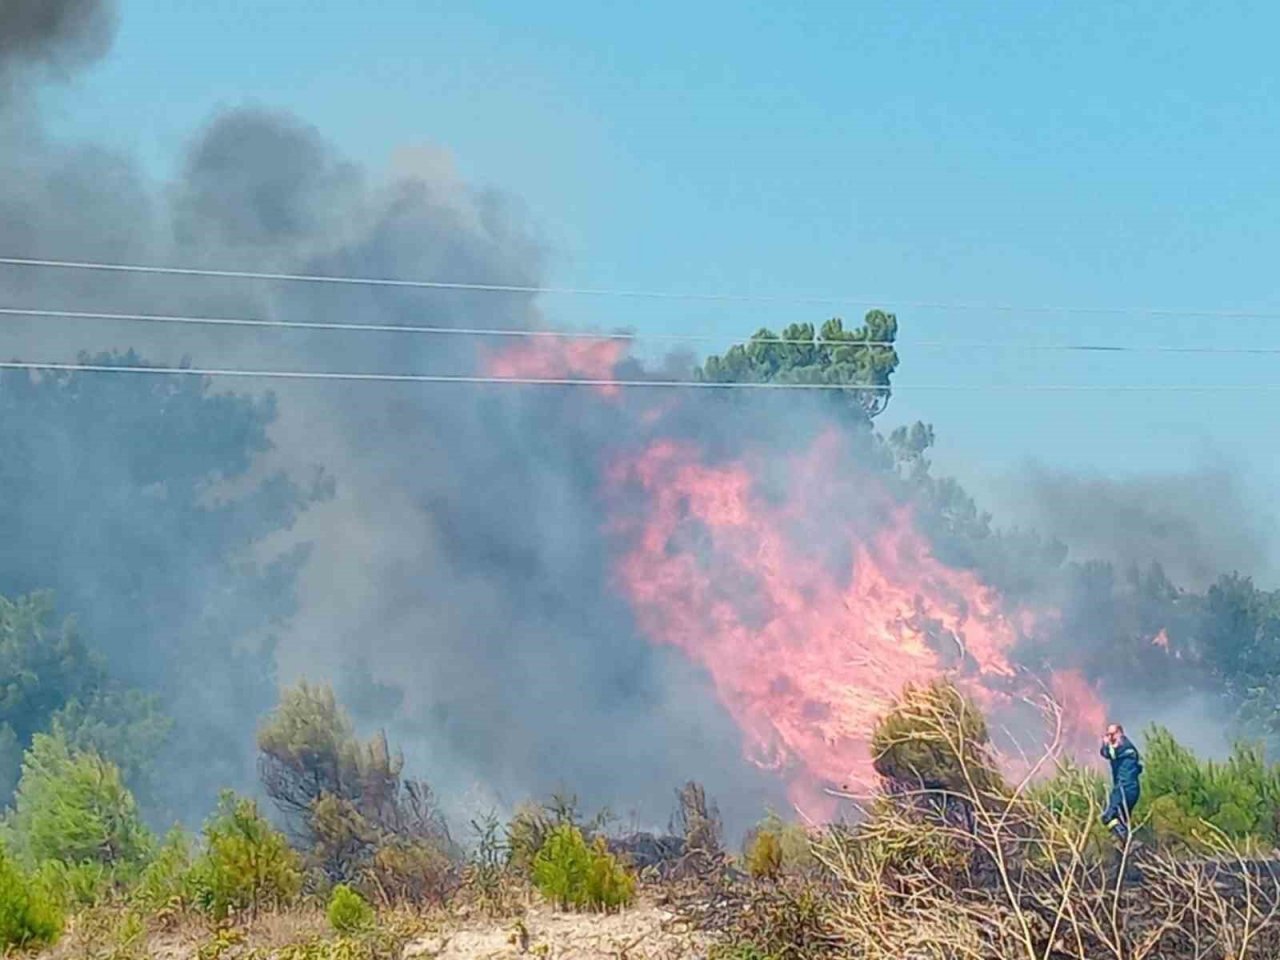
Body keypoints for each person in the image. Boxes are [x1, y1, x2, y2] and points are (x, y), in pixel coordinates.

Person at [1100, 722, 1142, 843]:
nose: (1110, 737)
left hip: (1124, 788)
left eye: (1112, 734)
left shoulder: (1124, 745)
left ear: (1119, 733)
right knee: (1122, 819)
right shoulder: (1125, 747)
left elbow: (1108, 753)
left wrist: (1105, 743)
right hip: (1131, 789)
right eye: (1108, 735)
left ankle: (1128, 841)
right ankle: (1127, 847)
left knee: (1108, 817)